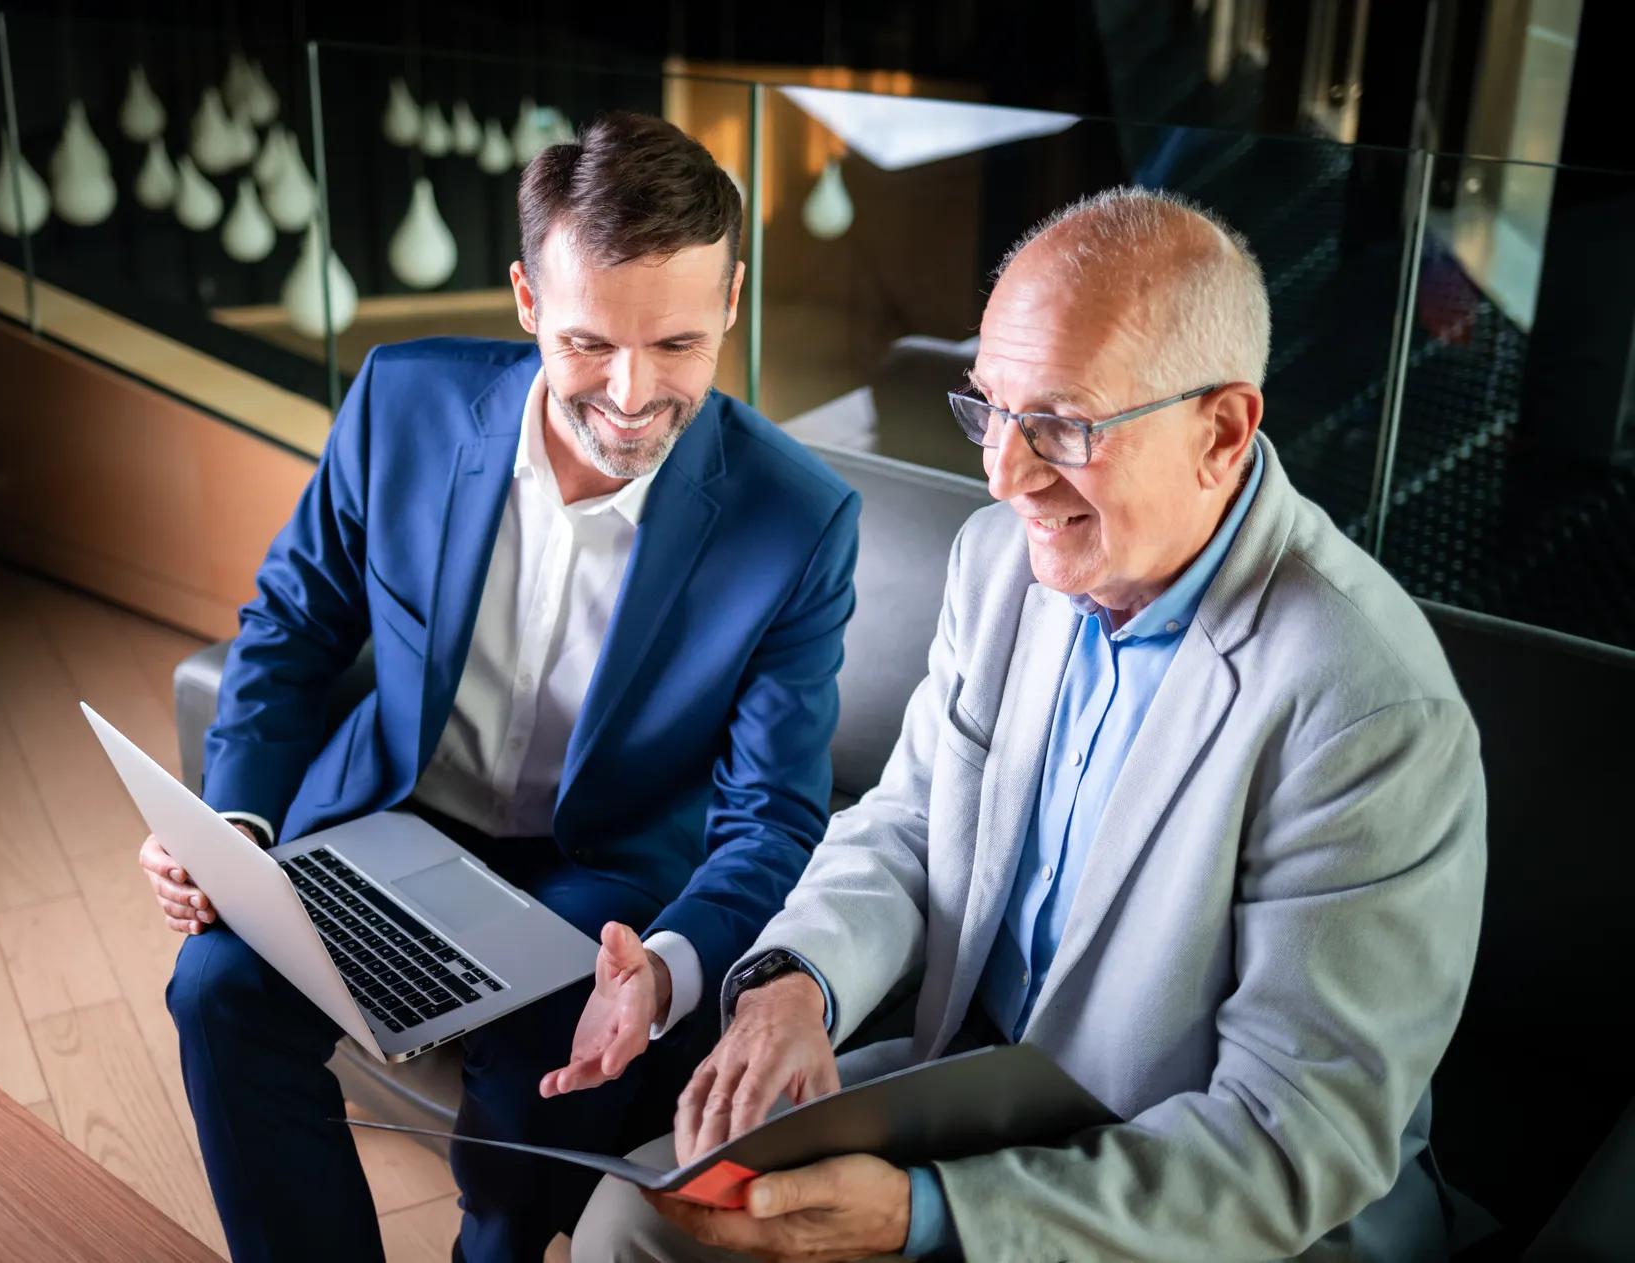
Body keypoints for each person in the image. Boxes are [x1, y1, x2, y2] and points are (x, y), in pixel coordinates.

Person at [574, 186, 1487, 1262]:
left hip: (1211, 1191)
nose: (1003, 476)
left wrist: (928, 1218)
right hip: (983, 1090)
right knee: (634, 1226)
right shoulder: (1002, 563)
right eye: (988, 411)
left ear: (1221, 432)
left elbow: (1288, 1143)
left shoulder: (1368, 707)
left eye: (1059, 423)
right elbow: (908, 823)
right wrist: (795, 982)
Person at [141, 112, 860, 1263]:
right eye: (588, 345)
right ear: (527, 299)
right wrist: (232, 825)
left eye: (676, 345)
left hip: (598, 883)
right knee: (213, 993)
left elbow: (772, 814)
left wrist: (670, 965)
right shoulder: (399, 403)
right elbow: (289, 626)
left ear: (730, 303)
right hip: (384, 826)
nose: (631, 397)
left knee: (529, 1130)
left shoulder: (797, 524)